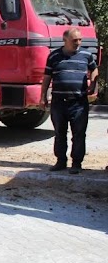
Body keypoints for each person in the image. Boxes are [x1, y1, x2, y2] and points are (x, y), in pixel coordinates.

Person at [40, 27, 98, 174]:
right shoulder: (54, 56)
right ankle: (61, 161)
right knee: (60, 132)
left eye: (80, 39)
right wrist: (43, 97)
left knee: (79, 134)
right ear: (65, 40)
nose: (78, 42)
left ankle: (76, 163)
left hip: (78, 102)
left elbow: (94, 69)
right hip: (59, 102)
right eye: (74, 40)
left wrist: (93, 84)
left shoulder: (86, 55)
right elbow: (47, 77)